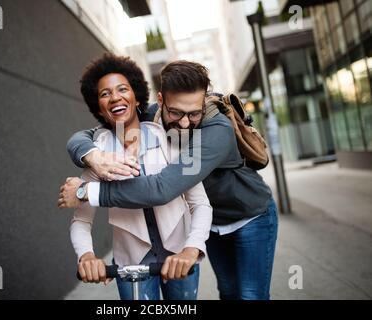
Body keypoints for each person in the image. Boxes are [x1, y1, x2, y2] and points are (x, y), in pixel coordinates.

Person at [61, 59, 278, 300]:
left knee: (250, 295)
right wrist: (92, 155)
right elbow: (88, 134)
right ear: (161, 101)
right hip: (214, 223)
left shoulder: (215, 131)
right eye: (176, 112)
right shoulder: (147, 120)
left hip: (249, 214)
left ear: (203, 102)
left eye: (194, 113)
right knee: (227, 291)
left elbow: (162, 189)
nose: (184, 123)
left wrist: (86, 192)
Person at [58, 53, 213, 300]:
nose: (115, 97)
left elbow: (200, 204)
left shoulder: (173, 139)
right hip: (130, 264)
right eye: (104, 94)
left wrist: (191, 248)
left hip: (180, 256)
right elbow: (81, 221)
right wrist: (86, 255)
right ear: (98, 107)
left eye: (122, 89)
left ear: (137, 96)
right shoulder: (97, 156)